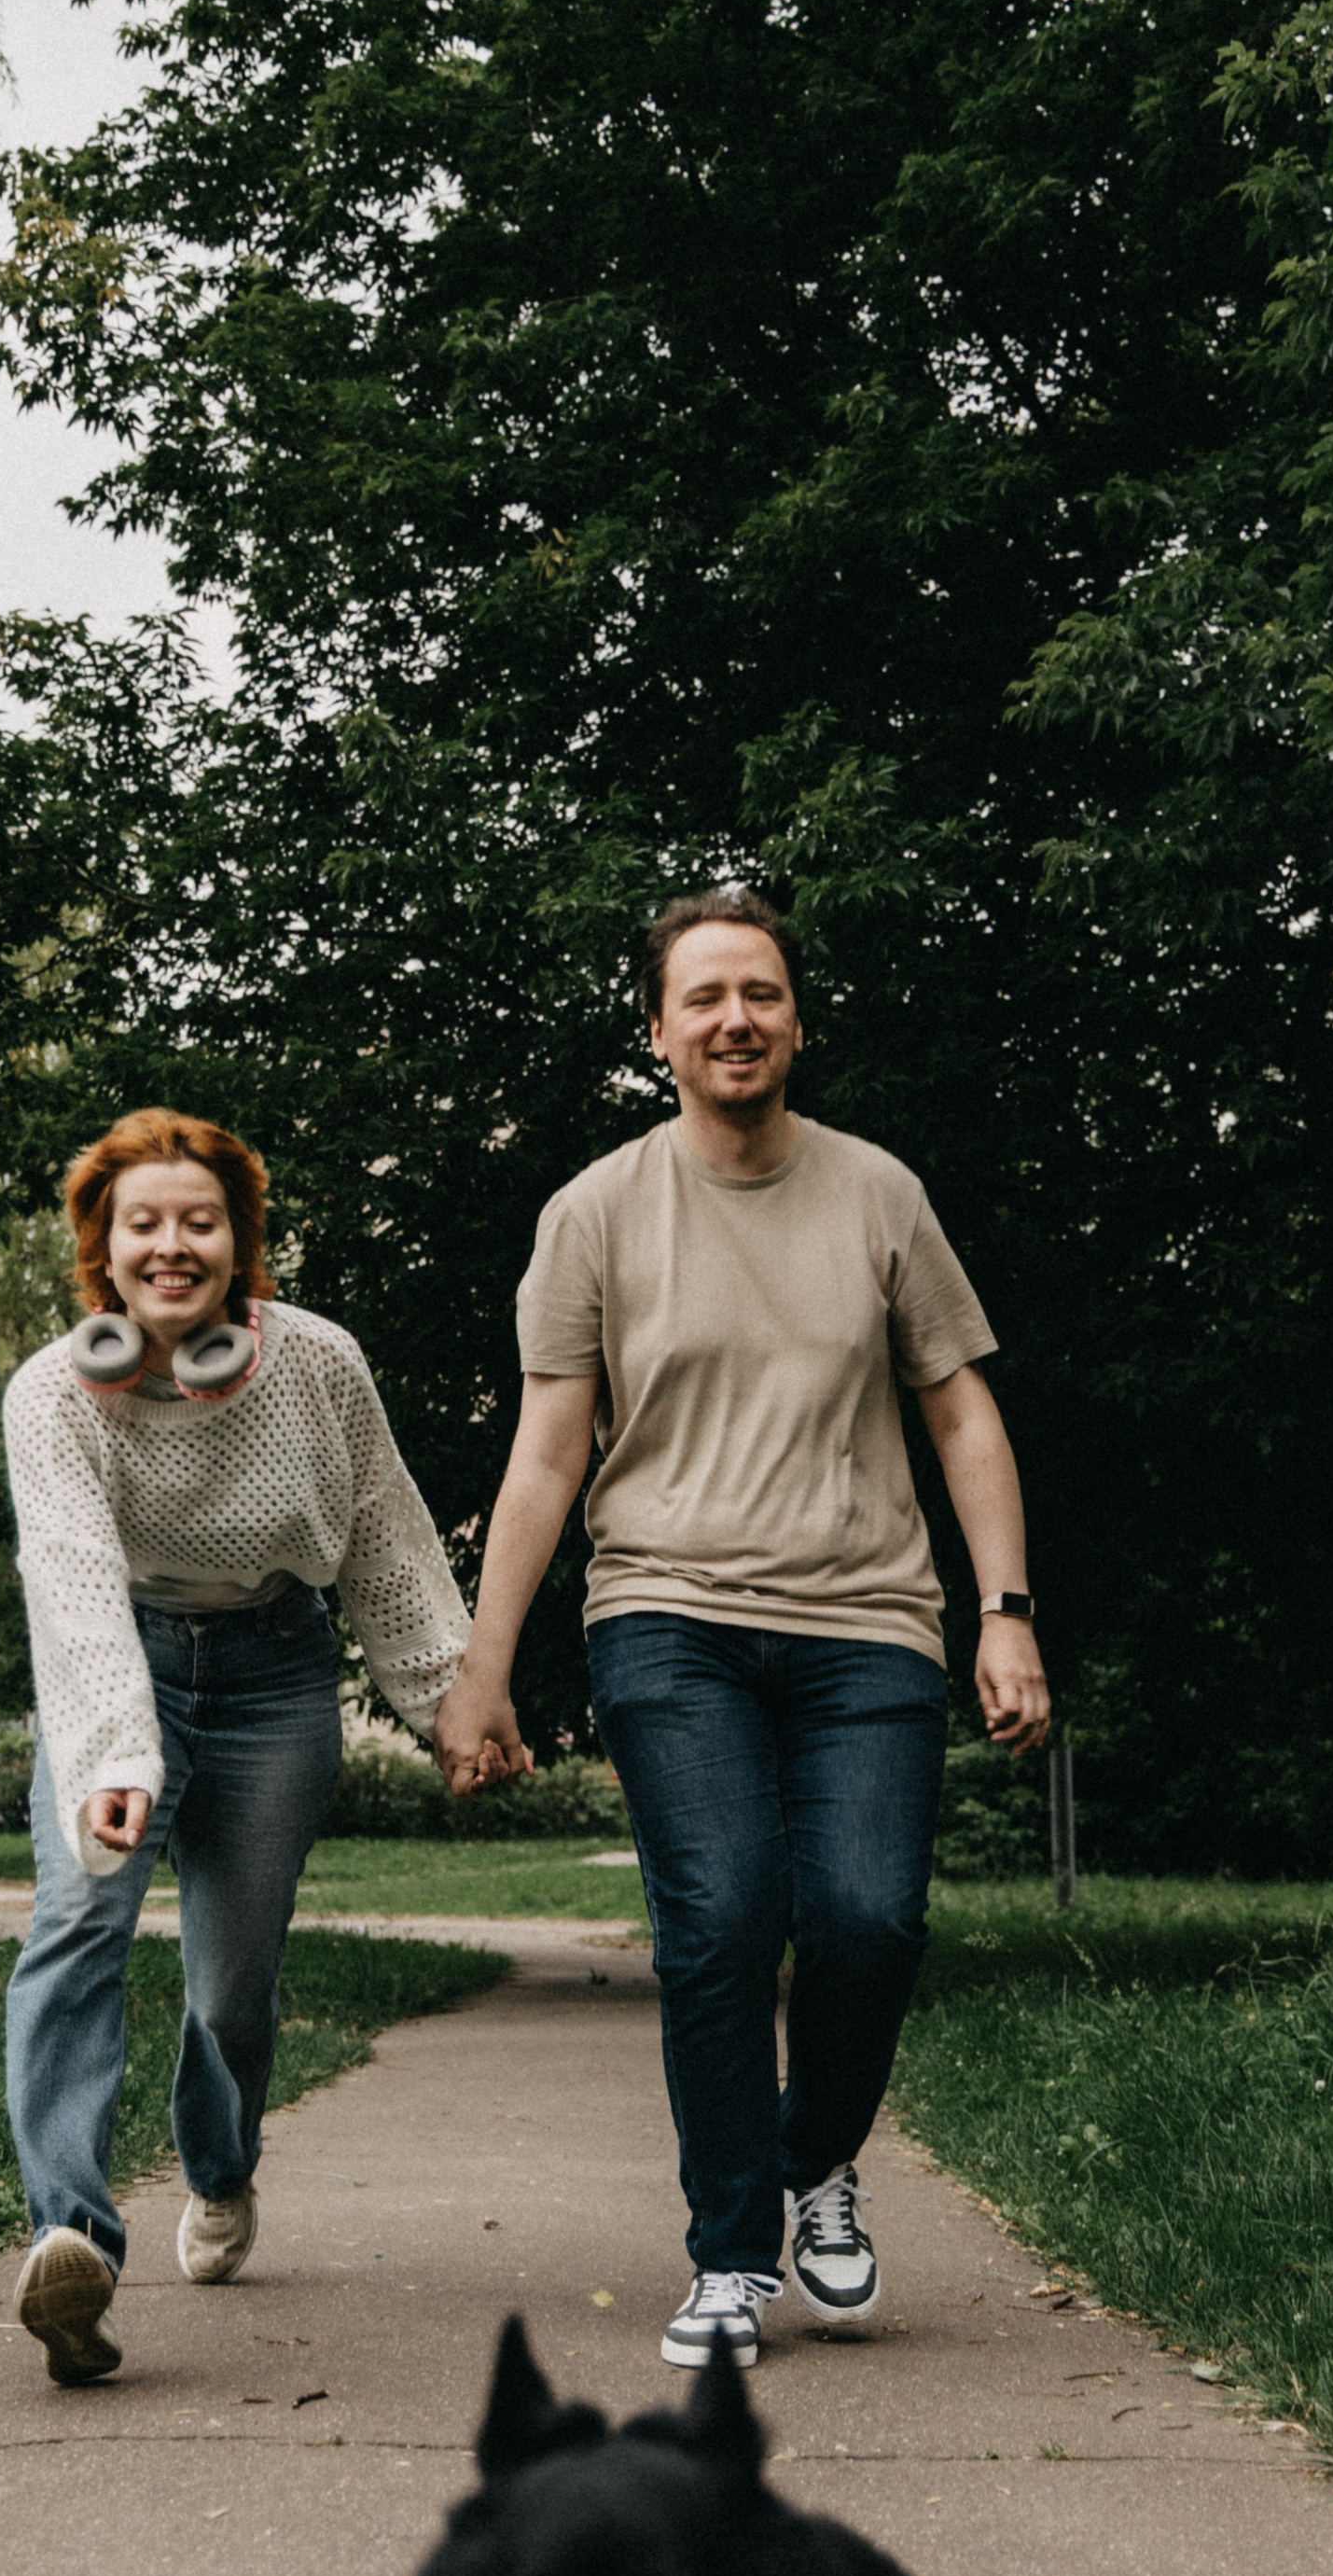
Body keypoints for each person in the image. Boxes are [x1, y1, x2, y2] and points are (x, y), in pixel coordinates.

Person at [433, 886, 1048, 2369]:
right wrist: (485, 1664)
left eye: (759, 992)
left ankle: (817, 2161)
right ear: (658, 1032)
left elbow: (959, 1407)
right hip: (669, 1610)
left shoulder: (879, 1195)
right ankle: (729, 2257)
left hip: (867, 1620)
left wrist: (1006, 1611)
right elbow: (545, 1455)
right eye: (703, 997)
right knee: (718, 1926)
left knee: (868, 1917)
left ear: (794, 1017)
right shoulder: (593, 1213)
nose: (734, 1019)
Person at [2, 1107, 468, 2386]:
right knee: (75, 1931)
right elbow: (77, 1583)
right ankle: (73, 2238)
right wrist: (116, 1763)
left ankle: (220, 2168)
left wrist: (449, 1704)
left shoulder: (317, 1365)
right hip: (121, 1666)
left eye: (197, 1221)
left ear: (238, 1238)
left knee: (232, 1990)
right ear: (103, 1244)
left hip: (274, 1678)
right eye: (141, 1222)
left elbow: (386, 1536)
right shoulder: (56, 1393)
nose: (171, 1244)